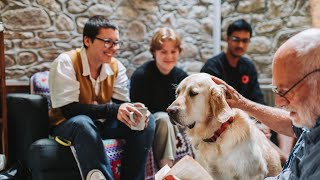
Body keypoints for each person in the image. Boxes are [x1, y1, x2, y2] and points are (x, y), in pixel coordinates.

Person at [49, 15, 155, 180]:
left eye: (116, 42)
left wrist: (134, 111)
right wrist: (114, 109)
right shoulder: (66, 62)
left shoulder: (116, 66)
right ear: (87, 41)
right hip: (68, 125)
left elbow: (121, 104)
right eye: (107, 41)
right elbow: (69, 110)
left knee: (147, 123)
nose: (114, 48)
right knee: (82, 122)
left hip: (100, 125)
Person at [212, 28, 320, 179]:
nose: (278, 102)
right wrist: (242, 103)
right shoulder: (312, 119)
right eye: (277, 91)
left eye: (285, 90)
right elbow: (290, 124)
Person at [201, 19, 294, 161]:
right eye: (236, 39)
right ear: (227, 39)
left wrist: (263, 123)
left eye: (245, 41)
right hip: (223, 122)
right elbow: (215, 108)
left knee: (276, 122)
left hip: (249, 119)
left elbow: (257, 99)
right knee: (257, 133)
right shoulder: (212, 67)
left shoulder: (248, 67)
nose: (240, 44)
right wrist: (253, 125)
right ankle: (285, 161)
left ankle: (283, 160)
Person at [130, 27, 188, 168]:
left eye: (173, 51)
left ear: (179, 52)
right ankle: (166, 171)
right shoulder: (141, 75)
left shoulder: (183, 78)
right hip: (151, 123)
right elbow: (138, 113)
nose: (169, 56)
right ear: (154, 52)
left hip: (176, 122)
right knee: (163, 118)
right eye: (163, 52)